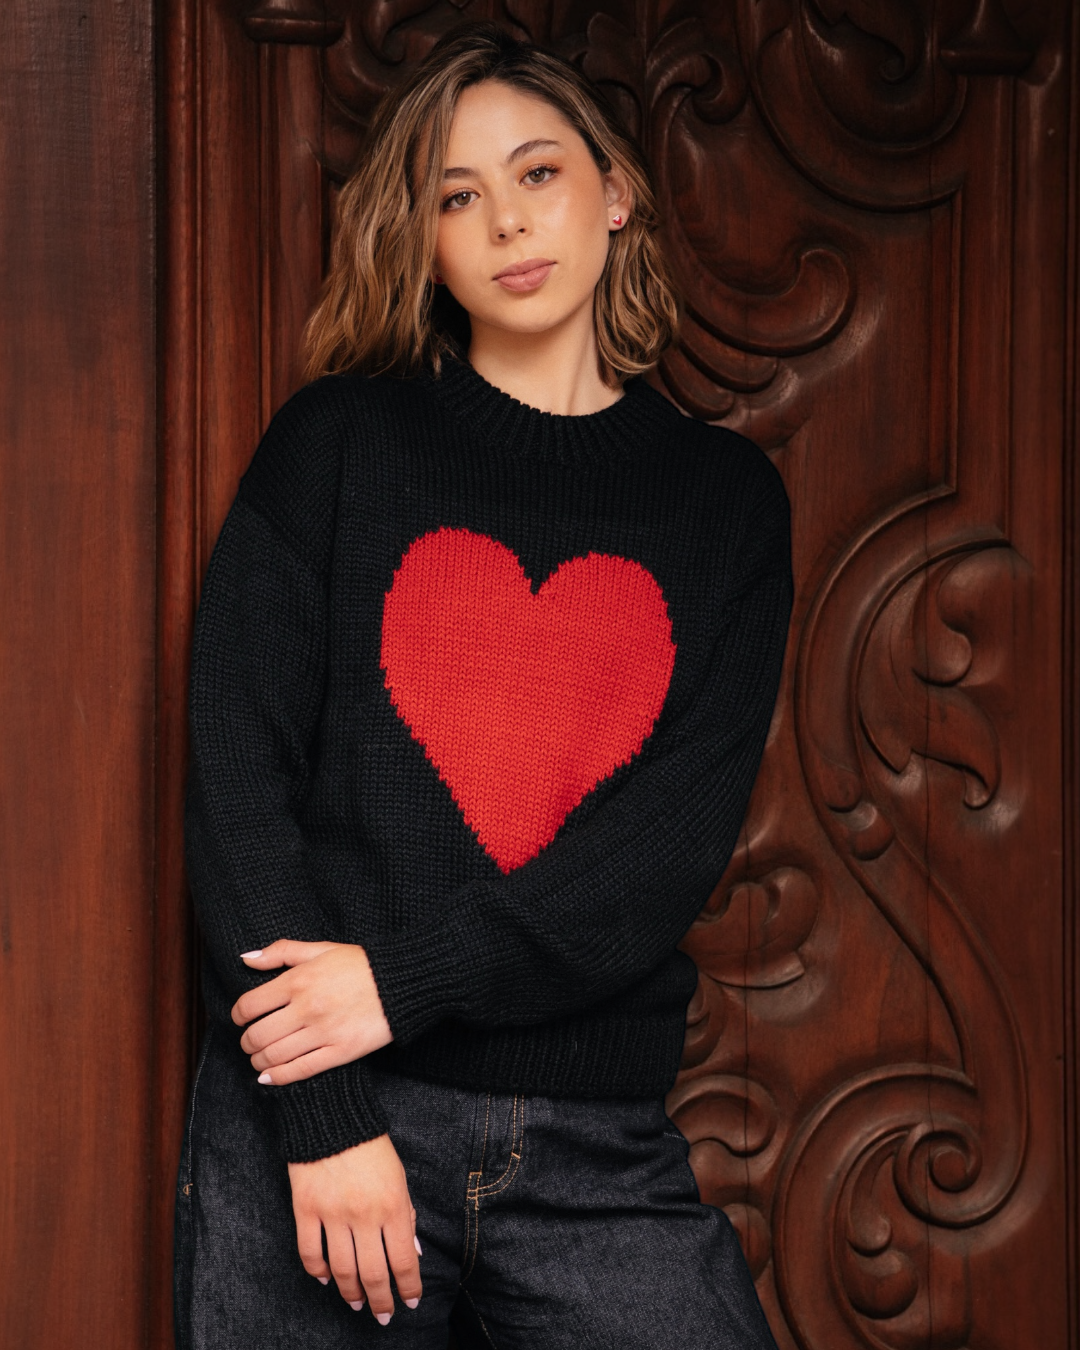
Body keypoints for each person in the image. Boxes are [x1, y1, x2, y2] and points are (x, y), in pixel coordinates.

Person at [174, 19, 792, 1350]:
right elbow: (236, 779)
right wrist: (326, 1113)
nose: (507, 221)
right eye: (458, 196)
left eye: (538, 174)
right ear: (426, 239)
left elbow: (661, 851)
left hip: (594, 1151)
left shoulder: (724, 506)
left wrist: (397, 979)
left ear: (616, 191)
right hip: (327, 1121)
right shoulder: (337, 444)